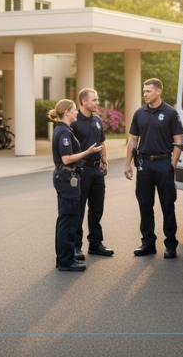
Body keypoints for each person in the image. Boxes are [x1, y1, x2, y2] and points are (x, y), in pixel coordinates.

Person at [125, 78, 183, 258]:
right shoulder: (139, 113)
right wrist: (128, 163)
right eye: (144, 91)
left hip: (163, 163)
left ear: (158, 92)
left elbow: (178, 140)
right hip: (144, 163)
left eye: (148, 91)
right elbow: (133, 139)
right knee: (145, 205)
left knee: (167, 204)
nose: (145, 94)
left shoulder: (170, 113)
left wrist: (172, 164)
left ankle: (171, 244)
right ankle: (148, 243)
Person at [49, 99, 103, 272]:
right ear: (66, 112)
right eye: (73, 110)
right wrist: (87, 152)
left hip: (64, 177)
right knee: (68, 220)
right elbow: (66, 158)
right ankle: (65, 261)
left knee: (64, 219)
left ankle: (64, 259)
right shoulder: (64, 132)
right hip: (67, 178)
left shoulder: (64, 130)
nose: (76, 113)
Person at [70, 88, 113, 261]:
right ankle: (75, 247)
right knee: (78, 210)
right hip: (82, 171)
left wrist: (105, 161)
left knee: (97, 209)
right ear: (84, 102)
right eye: (94, 100)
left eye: (97, 99)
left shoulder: (97, 120)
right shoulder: (74, 122)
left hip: (97, 171)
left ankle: (95, 244)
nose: (97, 103)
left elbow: (102, 143)